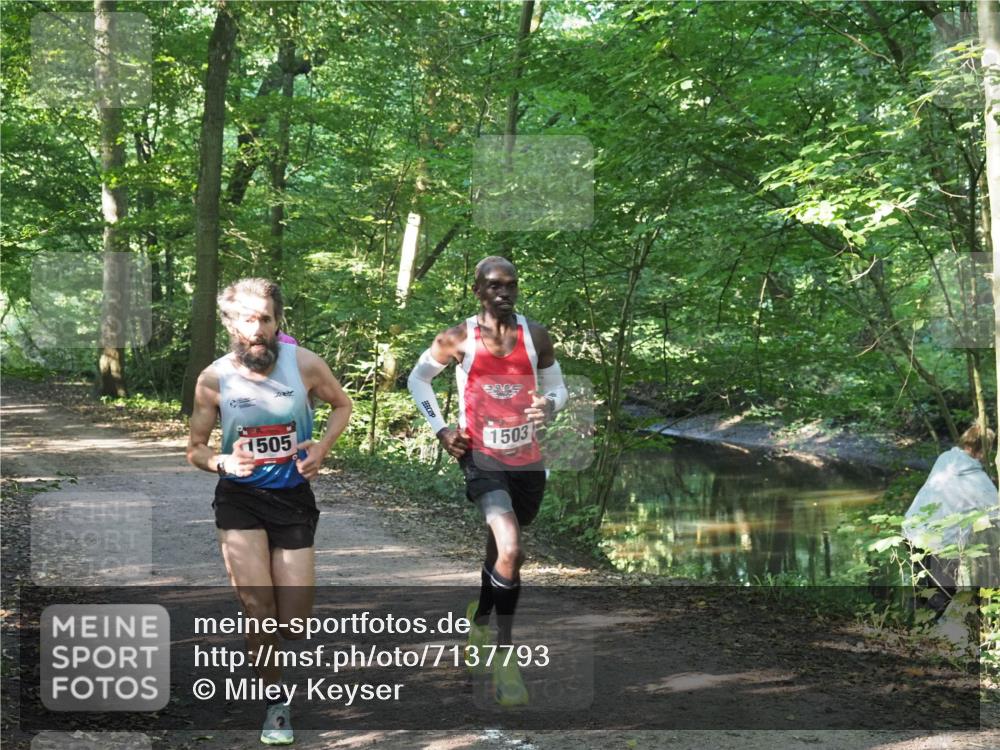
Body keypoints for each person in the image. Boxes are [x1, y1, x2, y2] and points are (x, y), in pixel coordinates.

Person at [187, 277, 352, 745]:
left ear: (278, 321)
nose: (256, 328)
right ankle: (276, 704)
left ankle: (275, 647)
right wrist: (223, 461)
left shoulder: (305, 365)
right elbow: (195, 449)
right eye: (246, 318)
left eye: (265, 318)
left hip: (292, 499)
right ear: (230, 323)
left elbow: (342, 405)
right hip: (239, 500)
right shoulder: (213, 378)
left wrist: (322, 446)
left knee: (293, 623)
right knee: (257, 606)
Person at [407, 256, 568, 706]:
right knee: (511, 545)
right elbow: (418, 380)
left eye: (511, 285)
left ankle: (478, 621)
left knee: (502, 550)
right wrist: (441, 428)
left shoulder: (536, 336)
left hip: (529, 460)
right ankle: (504, 654)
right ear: (477, 289)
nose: (504, 293)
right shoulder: (458, 338)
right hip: (481, 457)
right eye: (495, 286)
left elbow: (559, 389)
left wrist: (551, 406)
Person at [903, 424, 998, 617]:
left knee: (923, 590)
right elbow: (997, 512)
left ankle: (914, 632)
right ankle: (929, 641)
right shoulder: (977, 478)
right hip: (940, 543)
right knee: (941, 596)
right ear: (983, 451)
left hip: (912, 531)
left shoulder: (945, 459)